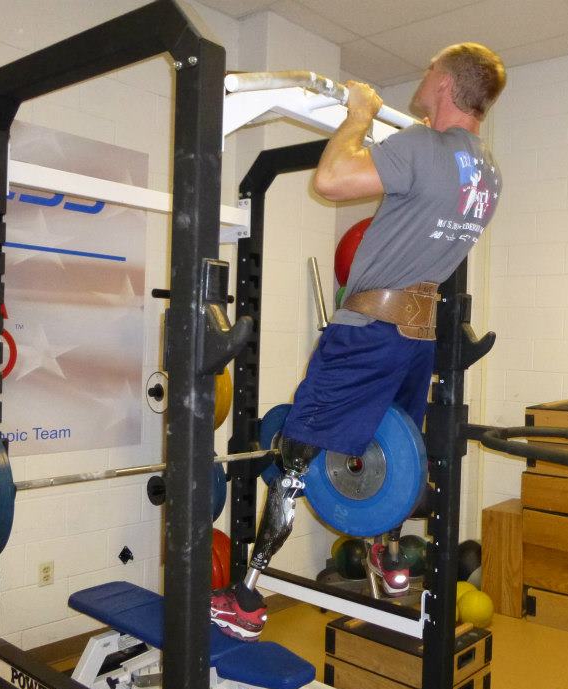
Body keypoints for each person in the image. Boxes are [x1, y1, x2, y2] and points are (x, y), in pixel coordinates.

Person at [210, 43, 506, 642]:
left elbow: (331, 179)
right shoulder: (487, 171)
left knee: (293, 457)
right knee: (390, 454)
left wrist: (359, 116)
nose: (422, 79)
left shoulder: (423, 146)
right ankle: (390, 558)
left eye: (428, 70)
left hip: (369, 331)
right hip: (416, 338)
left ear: (445, 84)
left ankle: (246, 596)